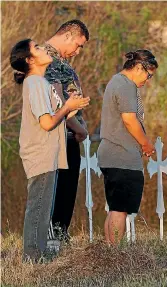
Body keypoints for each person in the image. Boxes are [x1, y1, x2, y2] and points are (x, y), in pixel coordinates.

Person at [10, 39, 89, 262]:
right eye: (37, 48)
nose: (43, 49)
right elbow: (46, 123)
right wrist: (67, 107)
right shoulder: (34, 82)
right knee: (38, 209)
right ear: (29, 60)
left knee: (43, 209)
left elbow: (58, 113)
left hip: (49, 154)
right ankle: (33, 259)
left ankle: (38, 254)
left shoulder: (42, 83)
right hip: (40, 153)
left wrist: (70, 107)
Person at [97, 49, 157, 244]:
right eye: (148, 75)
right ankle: (114, 255)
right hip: (121, 155)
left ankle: (109, 251)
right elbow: (130, 120)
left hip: (112, 154)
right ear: (139, 67)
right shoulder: (125, 86)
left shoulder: (116, 82)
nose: (147, 80)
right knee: (120, 210)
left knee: (115, 207)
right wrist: (146, 144)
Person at [41, 20, 90, 242]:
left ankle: (58, 234)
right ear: (68, 36)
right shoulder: (48, 60)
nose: (78, 52)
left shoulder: (57, 59)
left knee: (66, 191)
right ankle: (55, 238)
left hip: (66, 135)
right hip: (60, 136)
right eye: (79, 45)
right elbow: (56, 102)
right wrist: (79, 129)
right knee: (59, 192)